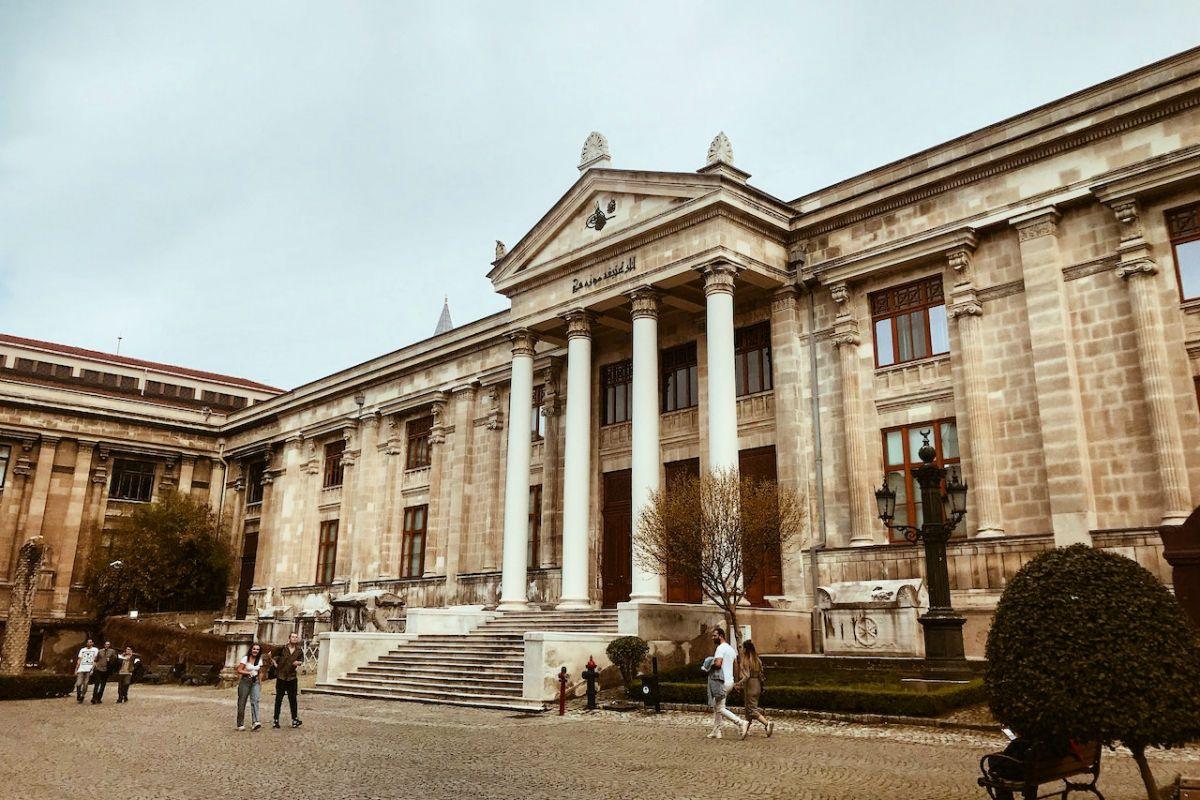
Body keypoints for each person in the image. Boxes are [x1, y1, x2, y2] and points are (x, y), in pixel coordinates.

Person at [705, 627, 749, 740]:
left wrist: (708, 666)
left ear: (720, 635)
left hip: (721, 682)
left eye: (714, 636)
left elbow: (718, 664)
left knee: (720, 708)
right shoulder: (731, 649)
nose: (712, 638)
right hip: (729, 681)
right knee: (717, 705)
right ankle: (717, 730)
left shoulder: (720, 648)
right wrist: (735, 681)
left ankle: (740, 722)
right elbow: (736, 666)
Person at [735, 639, 773, 737]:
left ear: (746, 649)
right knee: (749, 709)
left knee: (752, 710)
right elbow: (761, 674)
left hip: (750, 685)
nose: (742, 649)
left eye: (743, 648)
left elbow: (746, 676)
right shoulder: (757, 660)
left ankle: (766, 723)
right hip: (758, 685)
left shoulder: (746, 660)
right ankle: (745, 729)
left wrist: (738, 683)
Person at [272, 632, 304, 729]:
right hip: (281, 676)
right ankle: (276, 720)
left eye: (296, 637)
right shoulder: (282, 648)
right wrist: (275, 664)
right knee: (279, 699)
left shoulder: (299, 650)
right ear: (289, 638)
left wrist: (298, 663)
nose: (294, 639)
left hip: (292, 677)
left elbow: (301, 661)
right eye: (293, 637)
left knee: (293, 699)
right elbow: (271, 655)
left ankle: (294, 719)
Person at [235, 643, 265, 731]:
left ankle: (255, 722)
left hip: (255, 682)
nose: (255, 651)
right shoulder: (245, 659)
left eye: (257, 649)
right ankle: (240, 723)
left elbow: (261, 672)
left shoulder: (259, 660)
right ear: (251, 650)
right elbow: (239, 670)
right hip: (245, 681)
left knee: (255, 700)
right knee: (242, 701)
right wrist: (248, 672)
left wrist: (260, 683)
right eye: (254, 649)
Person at [73, 638, 99, 704]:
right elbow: (79, 659)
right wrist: (76, 669)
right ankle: (79, 694)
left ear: (92, 643)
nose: (89, 643)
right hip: (81, 669)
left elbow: (95, 660)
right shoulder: (82, 650)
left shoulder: (95, 650)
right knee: (78, 683)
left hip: (89, 669)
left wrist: (93, 669)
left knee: (85, 684)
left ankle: (82, 695)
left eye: (90, 642)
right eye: (88, 642)